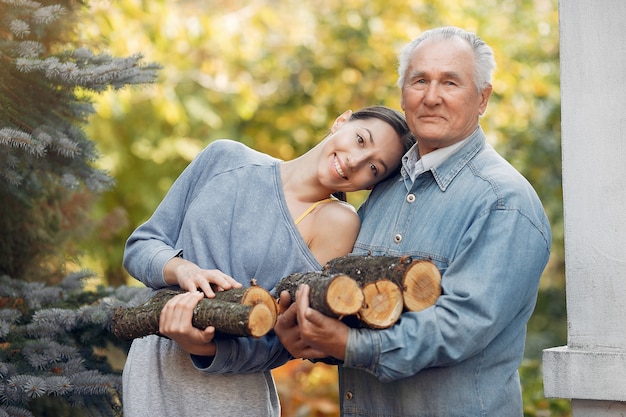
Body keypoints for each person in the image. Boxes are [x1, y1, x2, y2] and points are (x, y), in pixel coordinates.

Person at [274, 26, 552, 416]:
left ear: (482, 98)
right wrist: (310, 337)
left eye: (450, 82)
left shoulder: (504, 202)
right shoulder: (382, 189)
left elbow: (461, 327)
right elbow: (359, 313)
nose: (431, 97)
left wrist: (351, 346)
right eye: (419, 80)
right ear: (403, 94)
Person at [120, 105, 414, 417]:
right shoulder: (224, 158)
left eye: (374, 168)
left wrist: (202, 346)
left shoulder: (337, 222)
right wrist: (181, 268)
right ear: (341, 121)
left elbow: (281, 341)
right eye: (359, 140)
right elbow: (141, 246)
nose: (355, 161)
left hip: (230, 396)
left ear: (370, 186)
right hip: (152, 372)